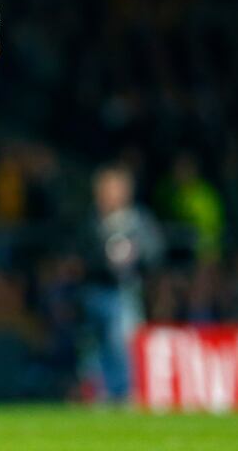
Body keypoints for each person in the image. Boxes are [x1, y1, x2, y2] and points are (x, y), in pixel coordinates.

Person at [76, 164, 165, 402]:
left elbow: (154, 252)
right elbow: (80, 255)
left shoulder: (137, 221)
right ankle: (95, 392)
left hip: (123, 291)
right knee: (92, 344)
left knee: (119, 340)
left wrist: (137, 257)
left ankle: (123, 391)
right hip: (93, 290)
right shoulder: (91, 220)